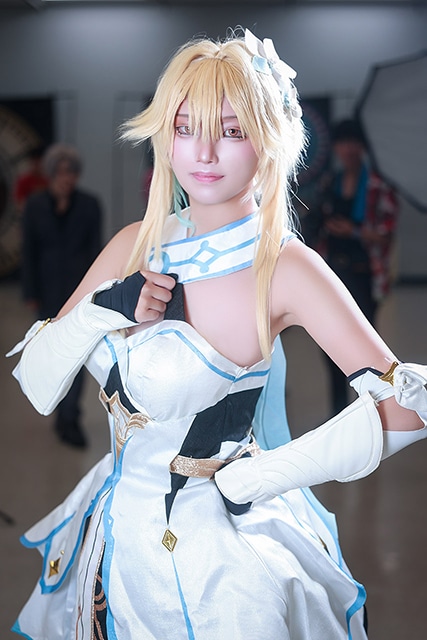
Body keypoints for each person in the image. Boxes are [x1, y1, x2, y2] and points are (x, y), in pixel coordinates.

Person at [6, 29, 427, 639]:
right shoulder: (135, 244)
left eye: (230, 131)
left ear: (269, 138)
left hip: (219, 561)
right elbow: (37, 382)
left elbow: (407, 409)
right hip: (110, 533)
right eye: (185, 128)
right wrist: (102, 310)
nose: (203, 153)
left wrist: (265, 475)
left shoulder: (284, 266)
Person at [302, 119, 398, 414]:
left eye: (353, 142)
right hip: (332, 272)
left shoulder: (378, 185)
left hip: (364, 273)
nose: (348, 149)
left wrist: (353, 231)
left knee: (365, 347)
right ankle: (339, 412)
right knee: (329, 343)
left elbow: (386, 235)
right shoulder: (331, 181)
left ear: (363, 146)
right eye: (342, 143)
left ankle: (371, 409)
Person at [20, 144, 103, 447]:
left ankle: (70, 418)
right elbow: (28, 251)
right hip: (46, 290)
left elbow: (96, 251)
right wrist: (30, 292)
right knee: (51, 354)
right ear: (51, 174)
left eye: (72, 172)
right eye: (61, 172)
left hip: (79, 290)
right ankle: (58, 409)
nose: (67, 178)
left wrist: (97, 290)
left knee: (77, 355)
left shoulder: (90, 205)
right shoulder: (35, 205)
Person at [13, 146, 49, 212]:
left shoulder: (49, 179)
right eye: (34, 163)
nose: (36, 166)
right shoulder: (23, 180)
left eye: (38, 162)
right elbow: (20, 204)